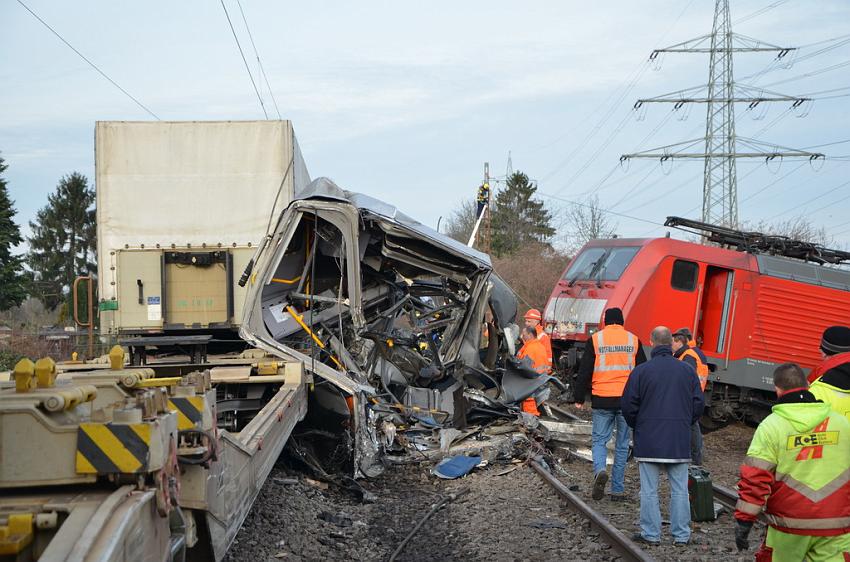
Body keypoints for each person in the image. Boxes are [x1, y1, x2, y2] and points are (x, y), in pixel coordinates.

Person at [734, 363, 850, 561]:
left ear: (777, 390)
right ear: (807, 384)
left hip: (789, 525)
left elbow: (756, 479)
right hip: (836, 525)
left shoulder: (772, 426)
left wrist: (745, 521)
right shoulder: (842, 423)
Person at [621, 326, 704, 547]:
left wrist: (638, 426)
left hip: (648, 440)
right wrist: (685, 424)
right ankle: (681, 535)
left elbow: (628, 405)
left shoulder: (641, 371)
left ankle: (651, 534)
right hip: (678, 440)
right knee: (679, 490)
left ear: (652, 342)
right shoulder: (687, 371)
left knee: (649, 490)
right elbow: (698, 404)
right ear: (671, 343)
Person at [574, 307, 647, 501]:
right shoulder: (634, 340)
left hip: (602, 399)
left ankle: (599, 470)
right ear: (622, 321)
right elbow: (643, 372)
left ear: (606, 321)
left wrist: (578, 397)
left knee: (599, 440)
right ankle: (617, 490)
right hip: (626, 401)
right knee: (622, 445)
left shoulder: (596, 340)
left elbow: (585, 371)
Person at [671, 329, 709, 465]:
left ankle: (694, 460)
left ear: (680, 341)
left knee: (692, 427)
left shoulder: (688, 355)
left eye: (673, 342)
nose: (671, 345)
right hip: (695, 395)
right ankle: (693, 458)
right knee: (692, 426)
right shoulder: (694, 353)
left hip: (689, 397)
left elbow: (686, 378)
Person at [516, 326, 549, 415]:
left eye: (524, 334)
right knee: (537, 403)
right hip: (541, 379)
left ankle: (531, 421)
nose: (522, 336)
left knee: (529, 404)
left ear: (530, 335)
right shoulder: (540, 346)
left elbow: (525, 366)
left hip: (531, 381)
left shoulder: (530, 348)